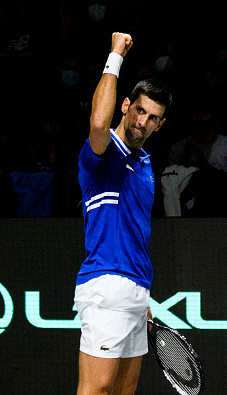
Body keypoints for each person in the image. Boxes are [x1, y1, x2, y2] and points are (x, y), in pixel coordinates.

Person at [74, 32, 171, 394]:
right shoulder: (102, 154)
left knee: (123, 391)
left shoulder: (146, 167)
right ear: (126, 105)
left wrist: (142, 297)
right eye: (140, 110)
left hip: (136, 290)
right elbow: (99, 124)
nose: (143, 121)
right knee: (96, 389)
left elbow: (134, 235)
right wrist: (115, 55)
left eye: (153, 117)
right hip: (105, 283)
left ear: (160, 125)